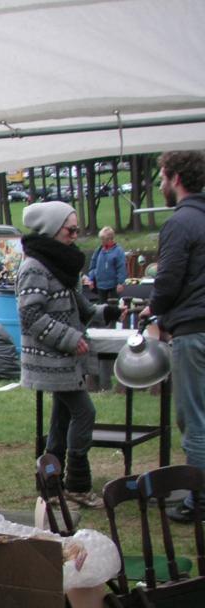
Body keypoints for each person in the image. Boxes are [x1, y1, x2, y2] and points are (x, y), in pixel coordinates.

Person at [17, 200, 123, 508]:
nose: (75, 235)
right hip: (51, 361)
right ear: (53, 229)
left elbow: (79, 306)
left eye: (77, 230)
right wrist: (70, 338)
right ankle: (77, 483)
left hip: (64, 361)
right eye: (70, 230)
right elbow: (30, 316)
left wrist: (108, 312)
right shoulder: (34, 267)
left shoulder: (58, 263)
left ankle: (51, 488)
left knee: (61, 420)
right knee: (84, 413)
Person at [146, 150, 205, 522]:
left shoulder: (181, 223)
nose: (161, 186)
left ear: (176, 178)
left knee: (194, 418)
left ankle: (199, 500)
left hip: (194, 331)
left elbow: (168, 280)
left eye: (162, 178)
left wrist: (153, 308)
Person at [85, 227, 127, 301]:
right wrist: (91, 279)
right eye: (101, 239)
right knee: (102, 305)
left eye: (103, 239)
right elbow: (93, 265)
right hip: (100, 286)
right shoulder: (99, 250)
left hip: (113, 286)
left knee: (114, 305)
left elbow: (121, 268)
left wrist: (121, 283)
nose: (102, 241)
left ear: (110, 239)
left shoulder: (118, 251)